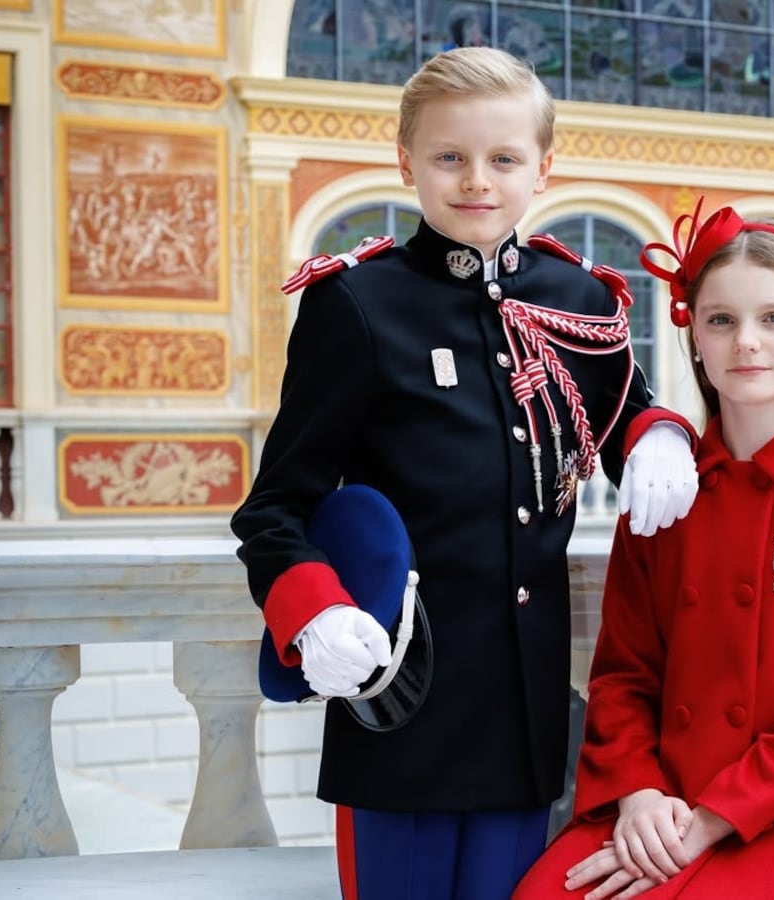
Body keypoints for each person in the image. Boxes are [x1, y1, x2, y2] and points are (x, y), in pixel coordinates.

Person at [230, 47, 699, 900]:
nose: (477, 180)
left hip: (521, 716)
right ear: (406, 161)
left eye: (504, 158)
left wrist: (662, 435)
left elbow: (628, 406)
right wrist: (311, 613)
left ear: (544, 169)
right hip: (398, 705)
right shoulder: (359, 304)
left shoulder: (579, 297)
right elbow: (275, 509)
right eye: (450, 156)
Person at [515, 200, 774, 899]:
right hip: (659, 795)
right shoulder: (666, 490)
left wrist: (710, 821)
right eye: (722, 321)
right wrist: (639, 793)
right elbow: (623, 676)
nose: (746, 343)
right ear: (694, 335)